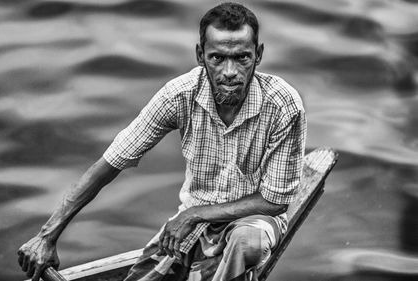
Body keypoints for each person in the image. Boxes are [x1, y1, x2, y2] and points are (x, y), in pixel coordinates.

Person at [17, 2, 306, 281]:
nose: (229, 72)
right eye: (217, 58)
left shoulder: (283, 105)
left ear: (258, 55)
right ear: (200, 55)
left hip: (254, 221)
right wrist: (47, 236)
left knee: (247, 241)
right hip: (190, 223)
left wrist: (193, 215)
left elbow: (274, 201)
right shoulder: (179, 95)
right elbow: (110, 163)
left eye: (241, 57)